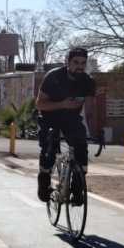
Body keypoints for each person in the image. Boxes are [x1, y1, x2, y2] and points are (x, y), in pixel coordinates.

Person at [35, 47, 96, 205]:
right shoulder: (53, 77)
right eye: (75, 62)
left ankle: (77, 189)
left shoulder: (88, 82)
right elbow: (40, 104)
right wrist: (62, 104)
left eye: (83, 63)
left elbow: (89, 112)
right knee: (49, 146)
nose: (79, 66)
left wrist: (97, 131)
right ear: (67, 62)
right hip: (50, 117)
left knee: (81, 149)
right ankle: (44, 181)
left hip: (71, 119)